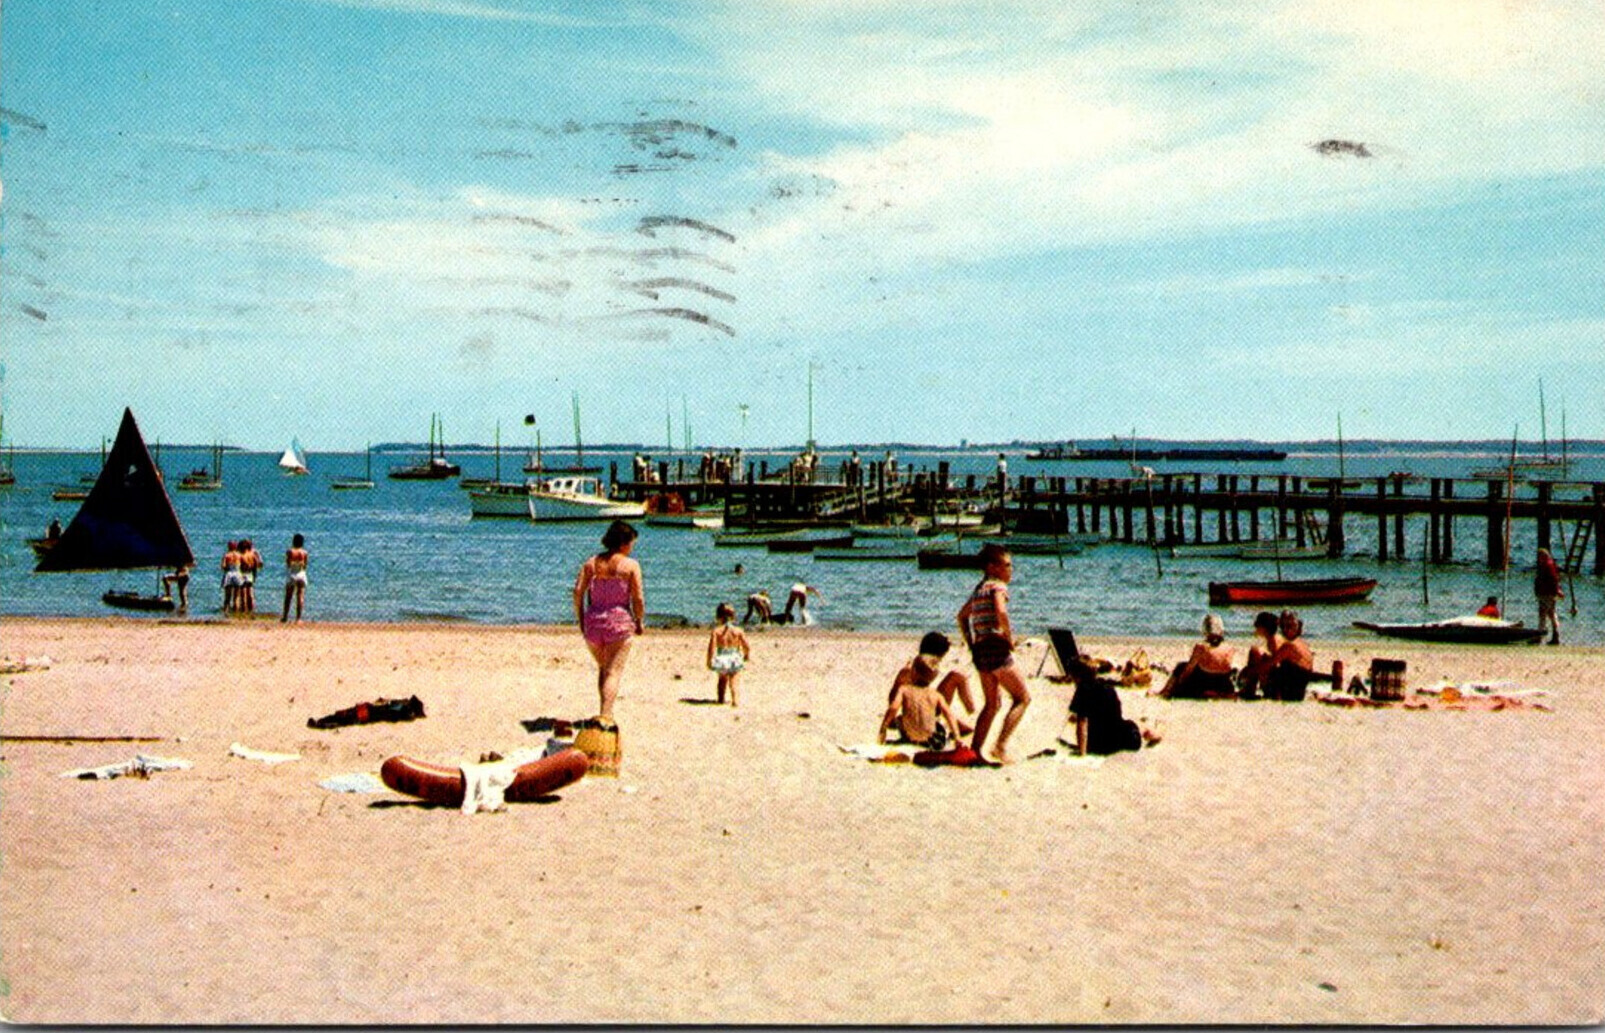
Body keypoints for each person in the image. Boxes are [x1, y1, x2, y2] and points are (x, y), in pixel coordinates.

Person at [956, 543, 1031, 763]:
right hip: (996, 648)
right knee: (1022, 698)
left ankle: (976, 750)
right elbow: (1000, 611)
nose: (1011, 570)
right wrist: (1009, 638)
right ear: (992, 567)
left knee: (992, 704)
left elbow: (962, 616)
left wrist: (971, 643)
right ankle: (1000, 747)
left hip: (980, 650)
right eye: (1007, 565)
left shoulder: (979, 589)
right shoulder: (997, 586)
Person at [574, 520, 645, 722]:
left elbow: (577, 593)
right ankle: (606, 716)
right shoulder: (631, 566)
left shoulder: (591, 563)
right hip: (619, 623)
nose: (632, 547)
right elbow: (638, 599)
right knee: (613, 672)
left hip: (593, 623)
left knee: (604, 669)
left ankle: (603, 711)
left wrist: (581, 618)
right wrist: (639, 621)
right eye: (631, 543)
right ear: (624, 543)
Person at [885, 632, 976, 733]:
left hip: (915, 716)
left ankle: (967, 715)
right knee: (956, 677)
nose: (939, 661)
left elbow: (893, 699)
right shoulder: (912, 671)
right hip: (922, 718)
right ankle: (971, 711)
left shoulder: (914, 668)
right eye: (940, 657)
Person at [1068, 658, 1161, 755]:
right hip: (1121, 739)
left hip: (1099, 745)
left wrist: (1082, 752)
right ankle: (1157, 729)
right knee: (1140, 727)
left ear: (1077, 677)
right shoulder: (1107, 687)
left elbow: (1082, 724)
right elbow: (1113, 715)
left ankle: (1159, 728)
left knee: (1141, 726)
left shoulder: (1082, 690)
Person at [879, 648, 966, 751]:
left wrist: (883, 728)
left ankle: (907, 740)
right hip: (932, 741)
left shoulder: (904, 690)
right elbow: (949, 715)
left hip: (910, 737)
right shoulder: (936, 694)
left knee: (899, 719)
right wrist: (957, 737)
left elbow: (893, 708)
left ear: (913, 672)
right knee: (941, 721)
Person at [1159, 614, 1236, 699]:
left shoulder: (1201, 647)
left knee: (1181, 666)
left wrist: (1179, 683)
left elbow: (1188, 670)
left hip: (1203, 685)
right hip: (1222, 684)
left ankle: (1165, 691)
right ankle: (1217, 693)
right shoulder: (1230, 648)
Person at [706, 602, 751, 706]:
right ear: (733, 616)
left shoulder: (717, 631)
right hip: (734, 657)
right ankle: (735, 700)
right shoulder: (738, 631)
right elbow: (746, 646)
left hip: (721, 657)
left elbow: (711, 648)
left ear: (718, 616)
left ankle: (720, 699)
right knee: (734, 680)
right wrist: (746, 655)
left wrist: (709, 660)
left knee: (722, 680)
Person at [1264, 610, 1314, 702]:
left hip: (1290, 694)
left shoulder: (1289, 646)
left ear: (1298, 625)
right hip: (1299, 692)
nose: (1285, 630)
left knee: (1264, 662)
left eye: (1289, 626)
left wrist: (1249, 671)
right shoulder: (1304, 645)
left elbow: (1267, 665)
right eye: (1282, 626)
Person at [1236, 611, 1282, 700]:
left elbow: (1276, 666)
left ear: (1264, 628)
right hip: (1274, 681)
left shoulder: (1274, 642)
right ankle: (1249, 689)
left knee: (1254, 652)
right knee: (1257, 654)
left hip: (1275, 686)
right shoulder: (1274, 639)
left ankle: (1249, 690)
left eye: (1257, 624)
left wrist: (1251, 670)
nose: (1254, 627)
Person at [1535, 548, 1562, 644]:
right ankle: (1555, 635)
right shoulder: (1548, 565)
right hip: (1547, 593)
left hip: (1547, 594)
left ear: (1544, 556)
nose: (1538, 559)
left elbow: (1553, 580)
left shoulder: (1548, 566)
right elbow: (1556, 580)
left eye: (1540, 556)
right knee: (1551, 614)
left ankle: (1539, 636)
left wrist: (1556, 590)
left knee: (1543, 614)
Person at [281, 533, 309, 623]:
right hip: (301, 574)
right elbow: (305, 566)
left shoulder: (290, 551)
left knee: (288, 597)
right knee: (300, 596)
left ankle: (285, 617)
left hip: (292, 574)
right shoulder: (304, 552)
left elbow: (288, 564)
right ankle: (298, 618)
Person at [239, 538, 263, 614]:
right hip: (250, 574)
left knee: (243, 594)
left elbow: (239, 566)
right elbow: (257, 564)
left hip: (243, 574)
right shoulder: (252, 555)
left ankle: (244, 610)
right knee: (250, 593)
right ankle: (251, 609)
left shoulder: (241, 556)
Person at [221, 541, 244, 614]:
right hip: (237, 573)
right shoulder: (239, 555)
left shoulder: (227, 555)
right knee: (236, 596)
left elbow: (223, 566)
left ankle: (225, 611)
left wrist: (227, 568)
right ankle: (235, 613)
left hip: (229, 573)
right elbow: (243, 565)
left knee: (227, 596)